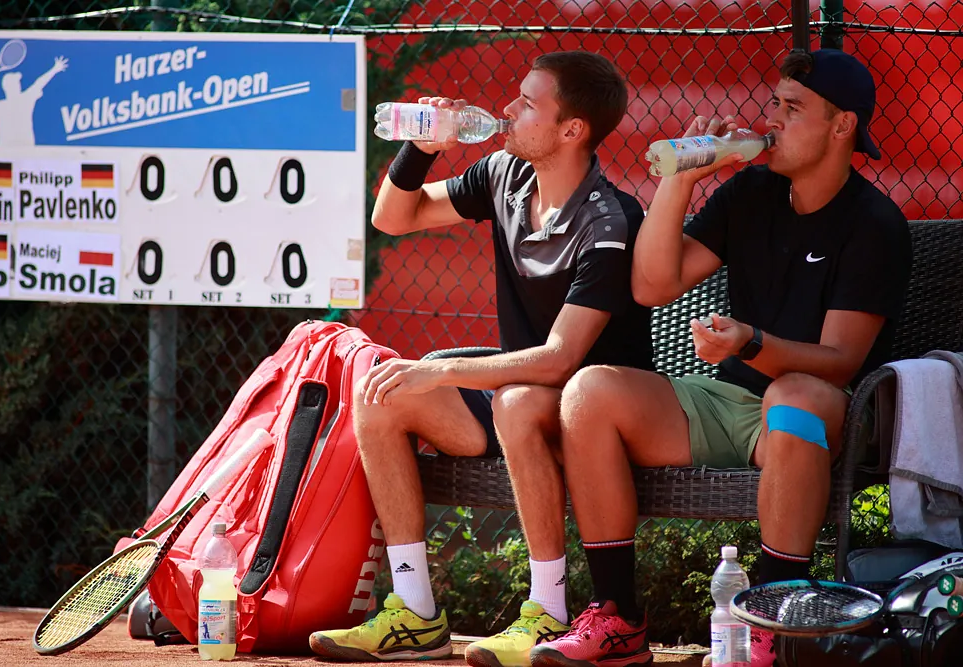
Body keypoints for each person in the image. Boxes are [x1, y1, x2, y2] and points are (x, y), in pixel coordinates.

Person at [529, 49, 912, 667]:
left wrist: (750, 341)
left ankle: (769, 622)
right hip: (725, 397)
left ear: (842, 126)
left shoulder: (874, 224)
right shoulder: (750, 192)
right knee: (588, 392)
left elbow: (840, 362)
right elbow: (652, 285)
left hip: (815, 408)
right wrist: (681, 178)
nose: (773, 121)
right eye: (774, 104)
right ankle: (618, 620)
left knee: (794, 395)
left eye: (793, 109)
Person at [308, 51, 654, 666]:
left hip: (592, 417)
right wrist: (423, 146)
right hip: (514, 402)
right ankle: (414, 613)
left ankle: (548, 612)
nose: (508, 110)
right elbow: (392, 217)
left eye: (528, 103)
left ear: (571, 130)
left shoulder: (610, 220)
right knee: (381, 389)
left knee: (517, 399)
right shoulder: (503, 174)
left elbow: (558, 360)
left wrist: (440, 369)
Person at [0, 55, 68, 147]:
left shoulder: (24, 99)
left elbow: (39, 82)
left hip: (26, 148)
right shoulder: (18, 101)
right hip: (7, 150)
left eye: (18, 83)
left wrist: (55, 69)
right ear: (8, 88)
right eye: (16, 83)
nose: (19, 85)